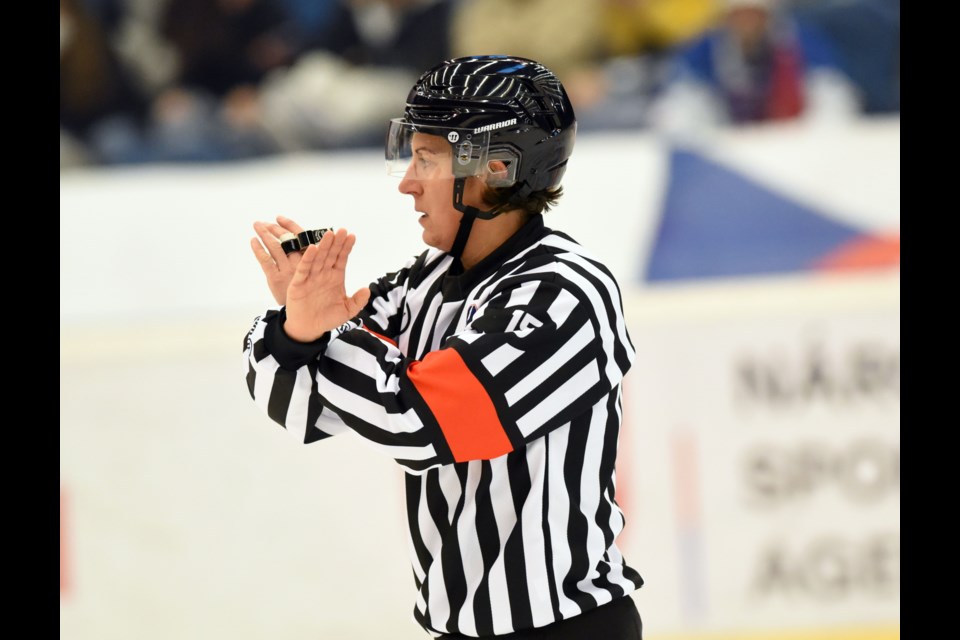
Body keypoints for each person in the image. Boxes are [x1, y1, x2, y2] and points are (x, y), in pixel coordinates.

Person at [243, 55, 644, 639]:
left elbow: (421, 423)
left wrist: (332, 330)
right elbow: (300, 408)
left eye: (427, 159)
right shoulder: (422, 283)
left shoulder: (564, 295)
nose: (407, 181)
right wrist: (299, 326)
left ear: (498, 169)